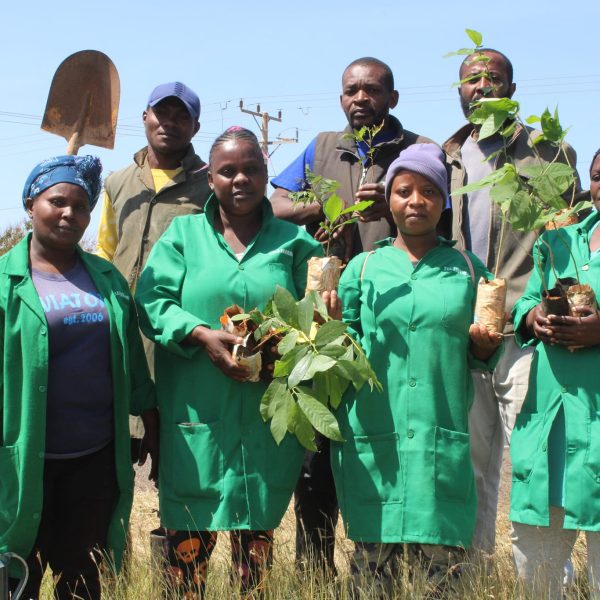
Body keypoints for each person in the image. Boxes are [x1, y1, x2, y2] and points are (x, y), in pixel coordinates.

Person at [135, 127, 322, 598]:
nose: (240, 179)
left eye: (252, 169)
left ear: (266, 174)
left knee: (253, 568)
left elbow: (317, 318)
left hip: (263, 420)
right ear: (210, 177)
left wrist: (281, 345)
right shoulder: (183, 235)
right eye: (227, 170)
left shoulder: (294, 243)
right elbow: (152, 299)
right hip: (196, 415)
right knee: (185, 568)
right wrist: (200, 334)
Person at [270, 56, 434, 571]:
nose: (359, 99)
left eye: (372, 90)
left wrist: (392, 207)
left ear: (393, 98)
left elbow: (443, 218)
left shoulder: (420, 151)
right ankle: (314, 573)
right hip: (323, 324)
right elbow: (274, 203)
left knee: (382, 442)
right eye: (350, 90)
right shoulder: (322, 147)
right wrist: (325, 208)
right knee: (315, 455)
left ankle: (388, 566)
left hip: (390, 324)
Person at [329, 143, 502, 597]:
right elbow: (340, 349)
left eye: (429, 190)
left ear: (445, 200)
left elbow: (481, 353)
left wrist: (484, 349)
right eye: (404, 190)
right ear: (388, 199)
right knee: (370, 580)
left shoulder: (468, 271)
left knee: (441, 582)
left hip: (438, 443)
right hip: (374, 442)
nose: (416, 201)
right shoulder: (362, 269)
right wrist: (325, 326)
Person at [442, 48, 580, 554]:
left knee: (531, 459)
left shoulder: (551, 155)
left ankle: (541, 576)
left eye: (492, 78)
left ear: (511, 91)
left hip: (524, 330)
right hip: (465, 332)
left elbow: (570, 238)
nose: (481, 87)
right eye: (471, 79)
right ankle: (475, 574)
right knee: (470, 462)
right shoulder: (448, 155)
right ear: (459, 92)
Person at [0, 156, 156, 600]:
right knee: (16, 575)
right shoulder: (5, 281)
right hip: (22, 461)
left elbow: (132, 366)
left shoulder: (105, 278)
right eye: (57, 201)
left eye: (81, 206)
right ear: (31, 204)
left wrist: (151, 422)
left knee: (83, 578)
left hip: (93, 460)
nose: (70, 213)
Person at [96, 81, 211, 459]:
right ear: (145, 117)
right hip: (122, 327)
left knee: (178, 447)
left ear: (195, 128)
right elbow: (105, 250)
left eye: (182, 117)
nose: (170, 123)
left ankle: (176, 518)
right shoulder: (117, 182)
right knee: (115, 446)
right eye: (162, 113)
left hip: (176, 329)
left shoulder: (210, 186)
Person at [509, 149, 600, 599]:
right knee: (536, 576)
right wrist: (533, 320)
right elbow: (527, 300)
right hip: (554, 424)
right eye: (599, 177)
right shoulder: (560, 240)